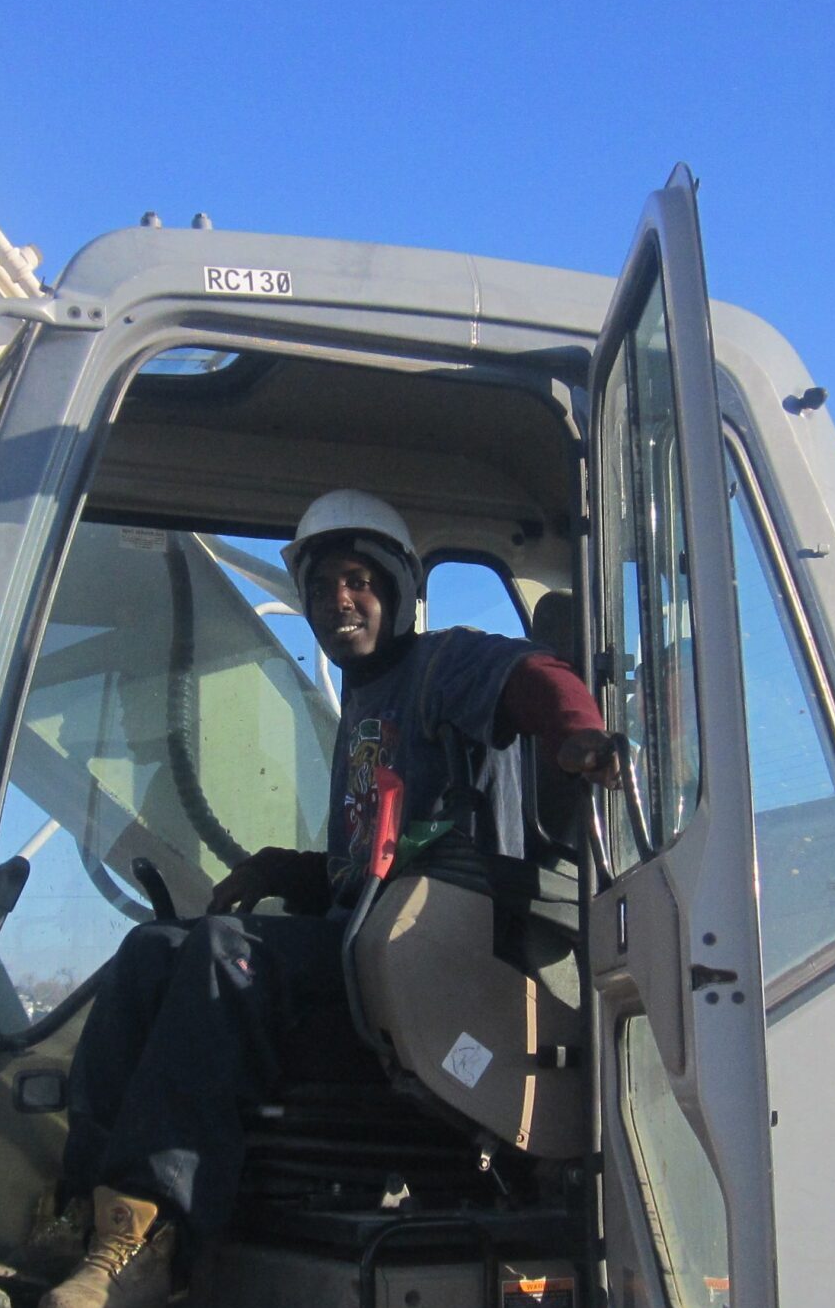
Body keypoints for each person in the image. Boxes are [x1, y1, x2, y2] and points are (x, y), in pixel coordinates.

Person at [36, 490, 619, 1308]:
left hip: (428, 968)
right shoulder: (365, 701)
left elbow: (533, 675)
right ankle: (93, 1212)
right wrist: (286, 869)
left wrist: (578, 732)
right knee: (152, 950)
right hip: (361, 950)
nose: (338, 600)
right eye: (320, 588)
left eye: (358, 581)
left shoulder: (440, 664)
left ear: (397, 590)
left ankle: (156, 1239)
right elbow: (365, 869)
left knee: (225, 953)